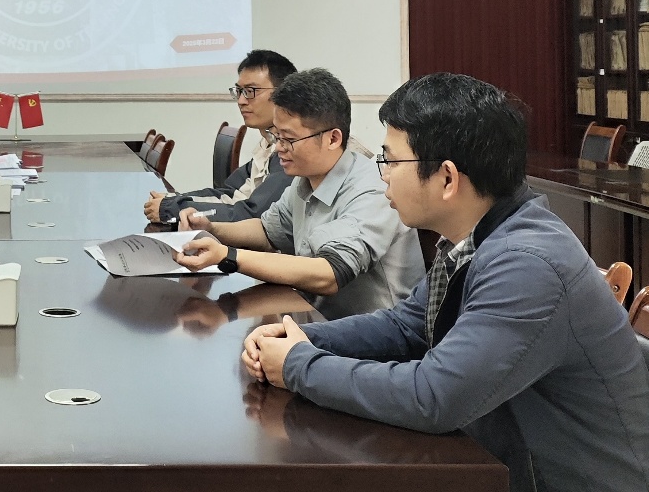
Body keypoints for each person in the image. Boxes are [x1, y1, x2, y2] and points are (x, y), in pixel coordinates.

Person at [242, 73, 649, 492]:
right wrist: (304, 338)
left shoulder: (527, 265)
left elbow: (433, 397)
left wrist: (298, 365)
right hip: (501, 463)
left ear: (448, 178)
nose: (382, 176)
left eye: (390, 161)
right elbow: (407, 326)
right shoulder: (477, 237)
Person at [175, 68, 424, 319]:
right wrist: (212, 229)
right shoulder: (305, 179)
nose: (278, 148)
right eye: (276, 136)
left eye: (289, 139)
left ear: (333, 139)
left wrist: (228, 256)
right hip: (318, 319)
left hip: (375, 332)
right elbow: (268, 231)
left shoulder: (371, 189)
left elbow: (329, 273)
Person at [144, 49, 296, 225]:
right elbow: (229, 194)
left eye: (251, 91)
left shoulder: (290, 151)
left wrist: (172, 209)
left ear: (283, 93)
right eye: (239, 91)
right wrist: (174, 200)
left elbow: (252, 214)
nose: (241, 101)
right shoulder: (268, 143)